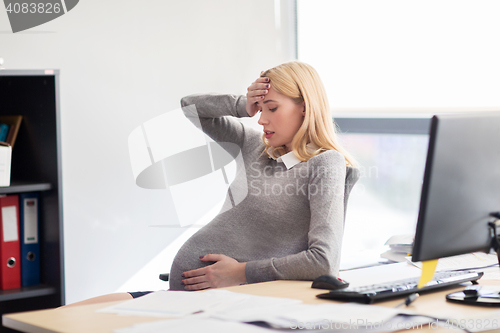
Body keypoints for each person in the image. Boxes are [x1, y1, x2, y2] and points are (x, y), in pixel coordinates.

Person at [64, 60, 357, 306]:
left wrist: (240, 272)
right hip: (186, 298)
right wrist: (242, 104)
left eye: (272, 108)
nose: (261, 119)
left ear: (304, 107)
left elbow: (323, 261)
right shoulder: (254, 145)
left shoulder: (324, 163)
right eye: (261, 108)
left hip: (227, 303)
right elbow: (189, 107)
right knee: (63, 316)